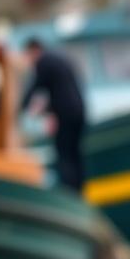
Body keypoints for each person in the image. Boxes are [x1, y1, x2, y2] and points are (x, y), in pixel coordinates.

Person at [19, 37, 87, 191]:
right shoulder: (60, 59)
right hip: (79, 111)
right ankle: (80, 189)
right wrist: (48, 109)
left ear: (33, 51)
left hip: (65, 115)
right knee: (75, 153)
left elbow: (36, 86)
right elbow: (60, 90)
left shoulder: (44, 61)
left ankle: (70, 191)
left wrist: (21, 107)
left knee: (64, 154)